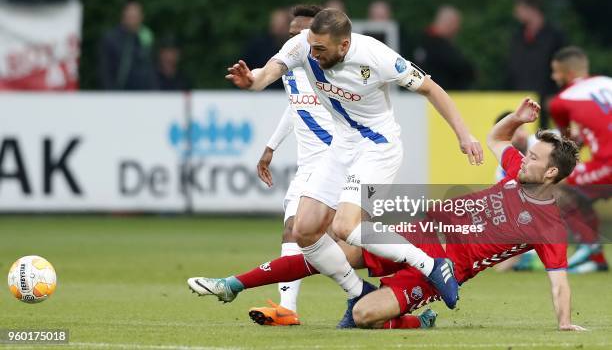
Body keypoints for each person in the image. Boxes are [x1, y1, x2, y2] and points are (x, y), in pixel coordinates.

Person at [191, 9, 483, 328]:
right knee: (304, 231)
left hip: (377, 147)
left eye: (321, 50)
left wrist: (463, 134)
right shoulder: (304, 44)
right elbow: (268, 72)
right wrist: (252, 81)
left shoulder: (376, 55)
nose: (313, 55)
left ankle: (431, 265)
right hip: (341, 146)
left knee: (345, 227)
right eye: (311, 47)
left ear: (344, 46)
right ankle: (357, 292)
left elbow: (431, 89)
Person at [188, 98, 585, 331]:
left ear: (550, 173)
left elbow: (559, 282)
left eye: (533, 157)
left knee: (363, 316)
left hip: (440, 267)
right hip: (417, 231)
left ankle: (415, 319)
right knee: (326, 252)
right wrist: (517, 118)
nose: (522, 158)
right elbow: (498, 137)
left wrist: (565, 323)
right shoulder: (517, 173)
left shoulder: (550, 225)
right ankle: (233, 283)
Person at [250, 4, 333, 326]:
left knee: (354, 238)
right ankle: (287, 309)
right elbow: (295, 107)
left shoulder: (333, 69)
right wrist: (271, 147)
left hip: (341, 160)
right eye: (291, 34)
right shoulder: (290, 67)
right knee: (292, 231)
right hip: (310, 166)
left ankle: (416, 278)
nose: (295, 39)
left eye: (302, 33)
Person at [548, 46, 611, 273]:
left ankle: (591, 253)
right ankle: (594, 255)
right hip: (605, 161)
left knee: (556, 186)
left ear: (566, 73)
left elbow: (566, 146)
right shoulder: (607, 82)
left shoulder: (561, 101)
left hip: (609, 163)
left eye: (555, 72)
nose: (554, 77)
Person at [506, 0, 566, 127]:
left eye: (519, 9)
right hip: (521, 96)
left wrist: (556, 94)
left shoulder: (554, 35)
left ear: (532, 9)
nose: (516, 14)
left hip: (546, 97)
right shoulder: (517, 36)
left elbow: (561, 65)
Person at [97, 1, 157, 90]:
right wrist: (110, 92)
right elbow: (104, 70)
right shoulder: (111, 38)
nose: (132, 19)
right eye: (130, 16)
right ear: (123, 17)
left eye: (135, 16)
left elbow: (151, 67)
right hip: (118, 94)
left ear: (141, 17)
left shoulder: (147, 36)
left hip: (143, 94)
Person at [412, 6, 475, 90]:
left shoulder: (418, 40)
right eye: (456, 24)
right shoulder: (440, 45)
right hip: (443, 95)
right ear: (449, 23)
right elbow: (462, 68)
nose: (458, 29)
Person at [241, 8, 291, 90]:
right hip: (260, 93)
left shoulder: (294, 46)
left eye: (282, 25)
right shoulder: (258, 45)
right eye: (276, 24)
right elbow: (246, 69)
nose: (279, 28)